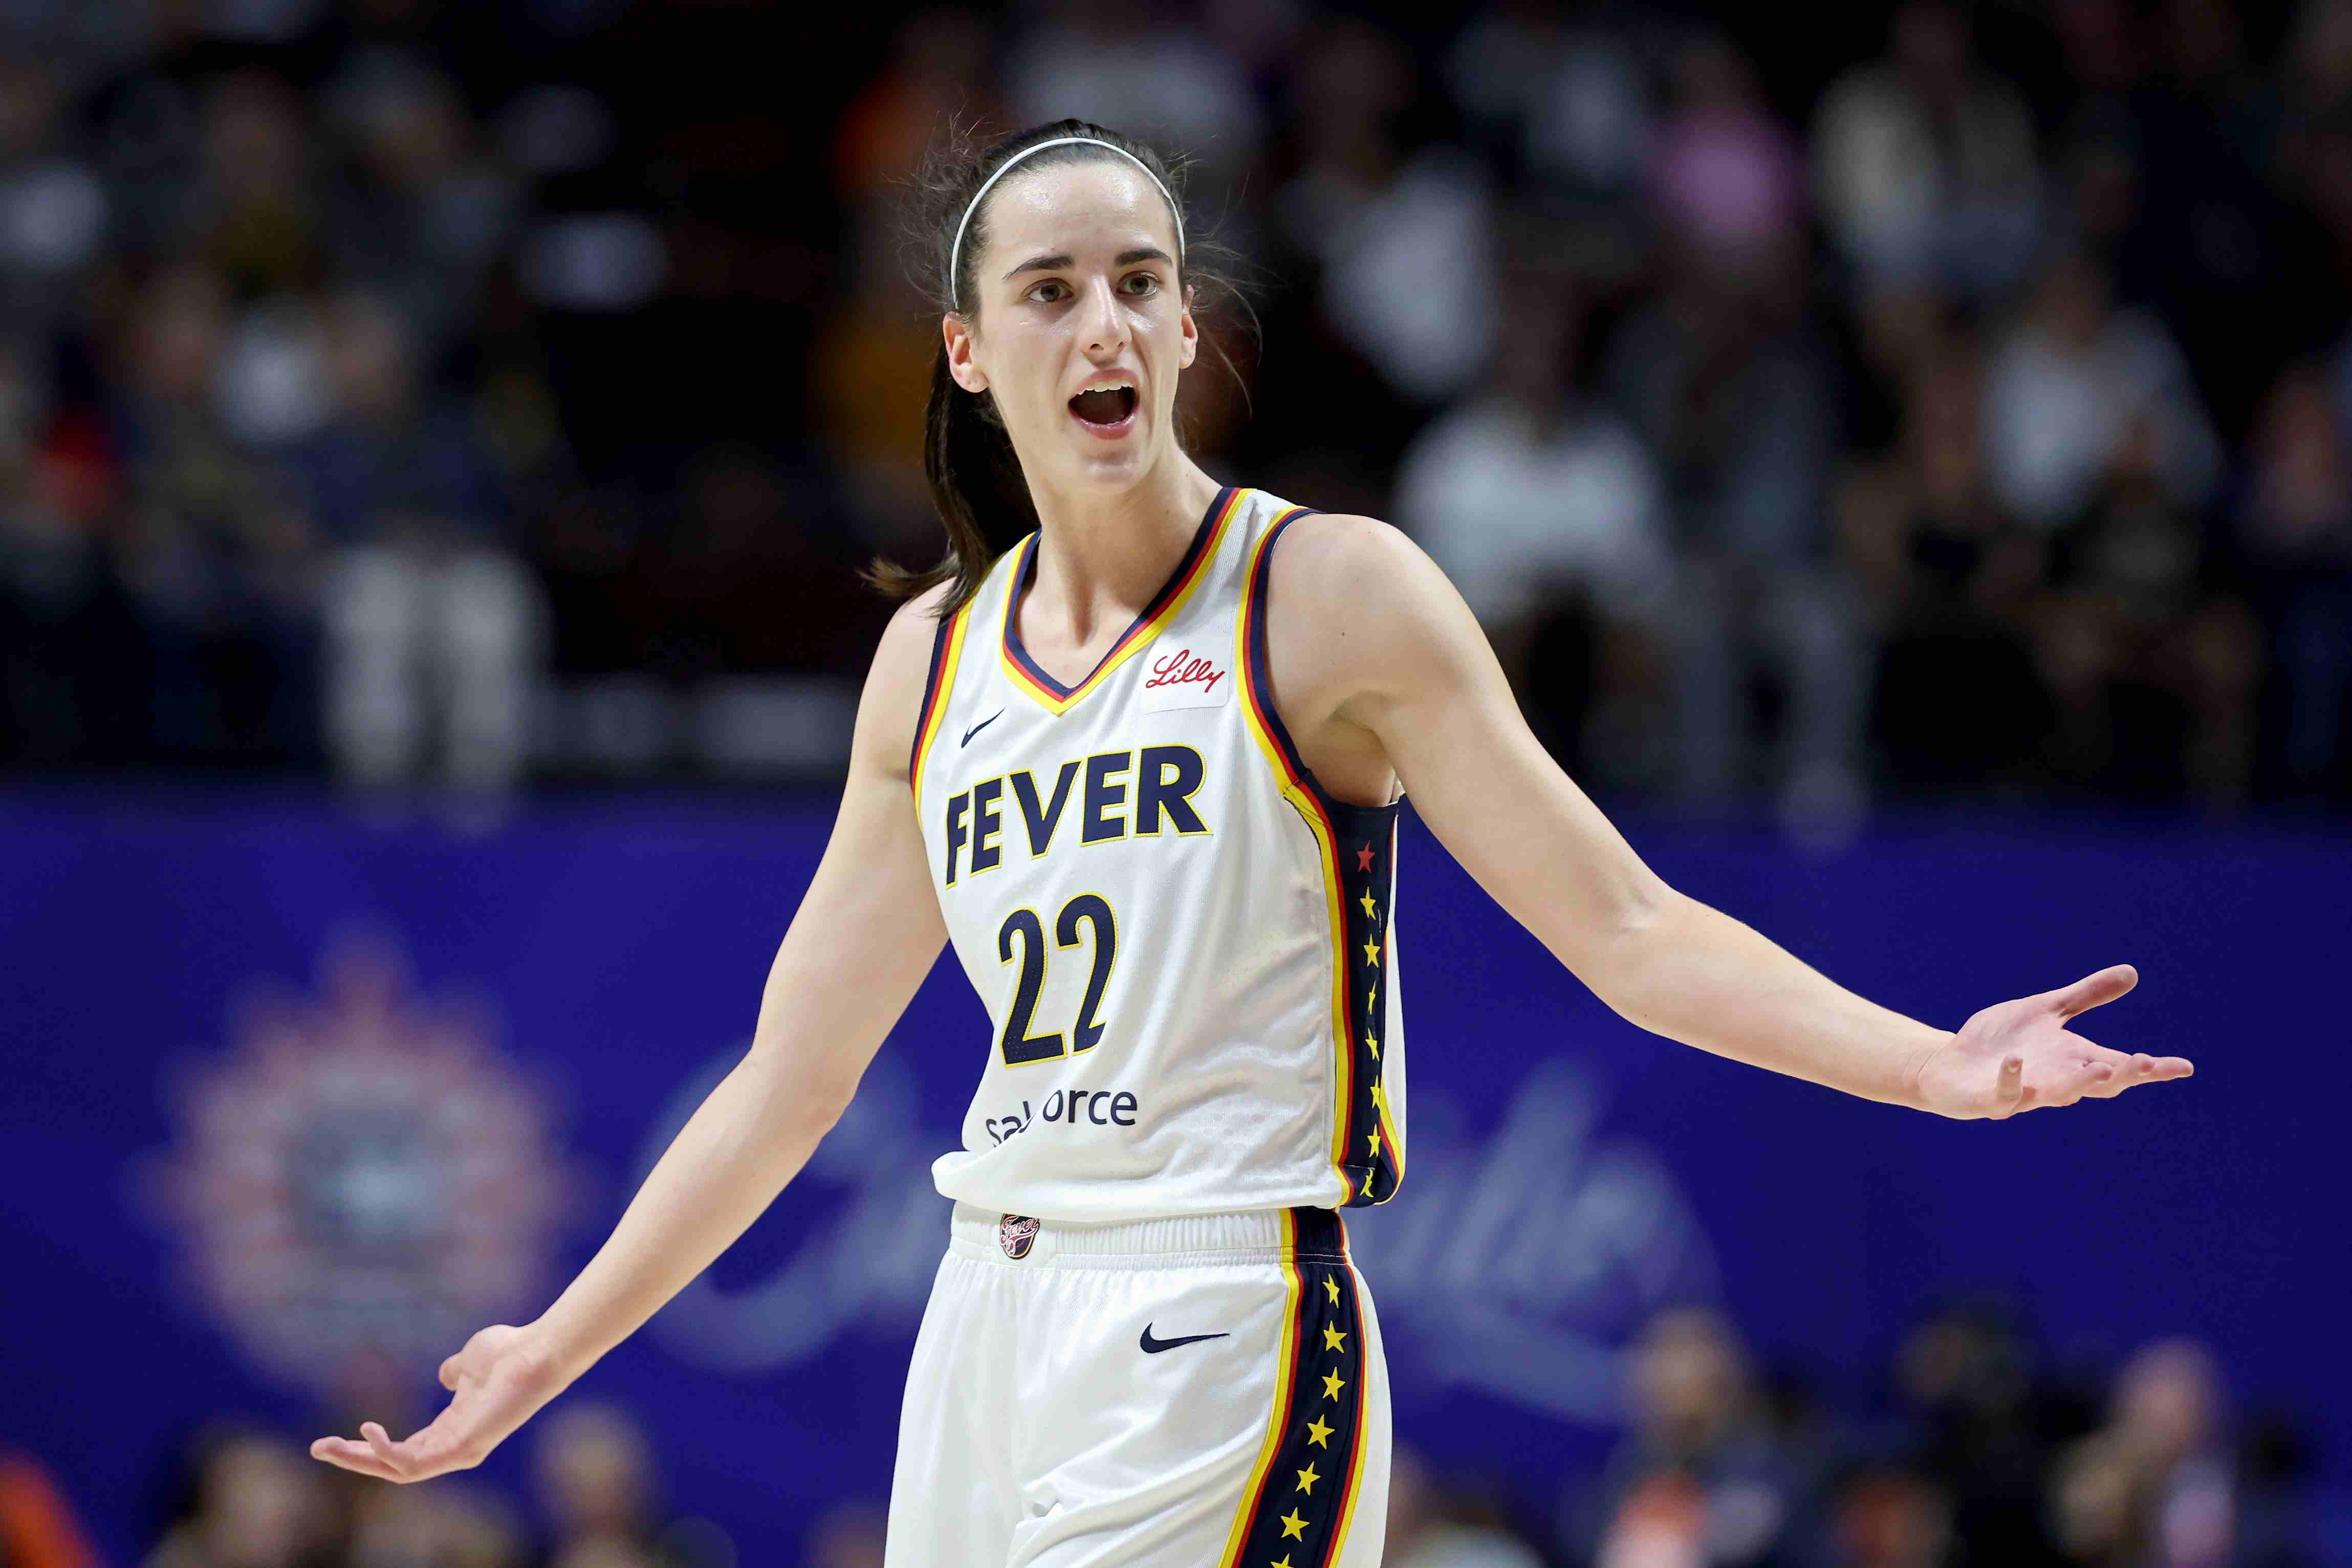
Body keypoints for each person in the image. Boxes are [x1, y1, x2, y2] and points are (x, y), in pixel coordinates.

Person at [308, 119, 2195, 1566]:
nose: (1103, 320)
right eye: (1048, 292)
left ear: (1187, 325)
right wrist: (554, 1347)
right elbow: (786, 1087)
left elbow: (1628, 928)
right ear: (966, 354)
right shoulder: (929, 665)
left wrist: (1930, 1064)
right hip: (983, 1316)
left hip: (1225, 1305)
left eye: (1137, 278)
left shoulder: (1332, 594)